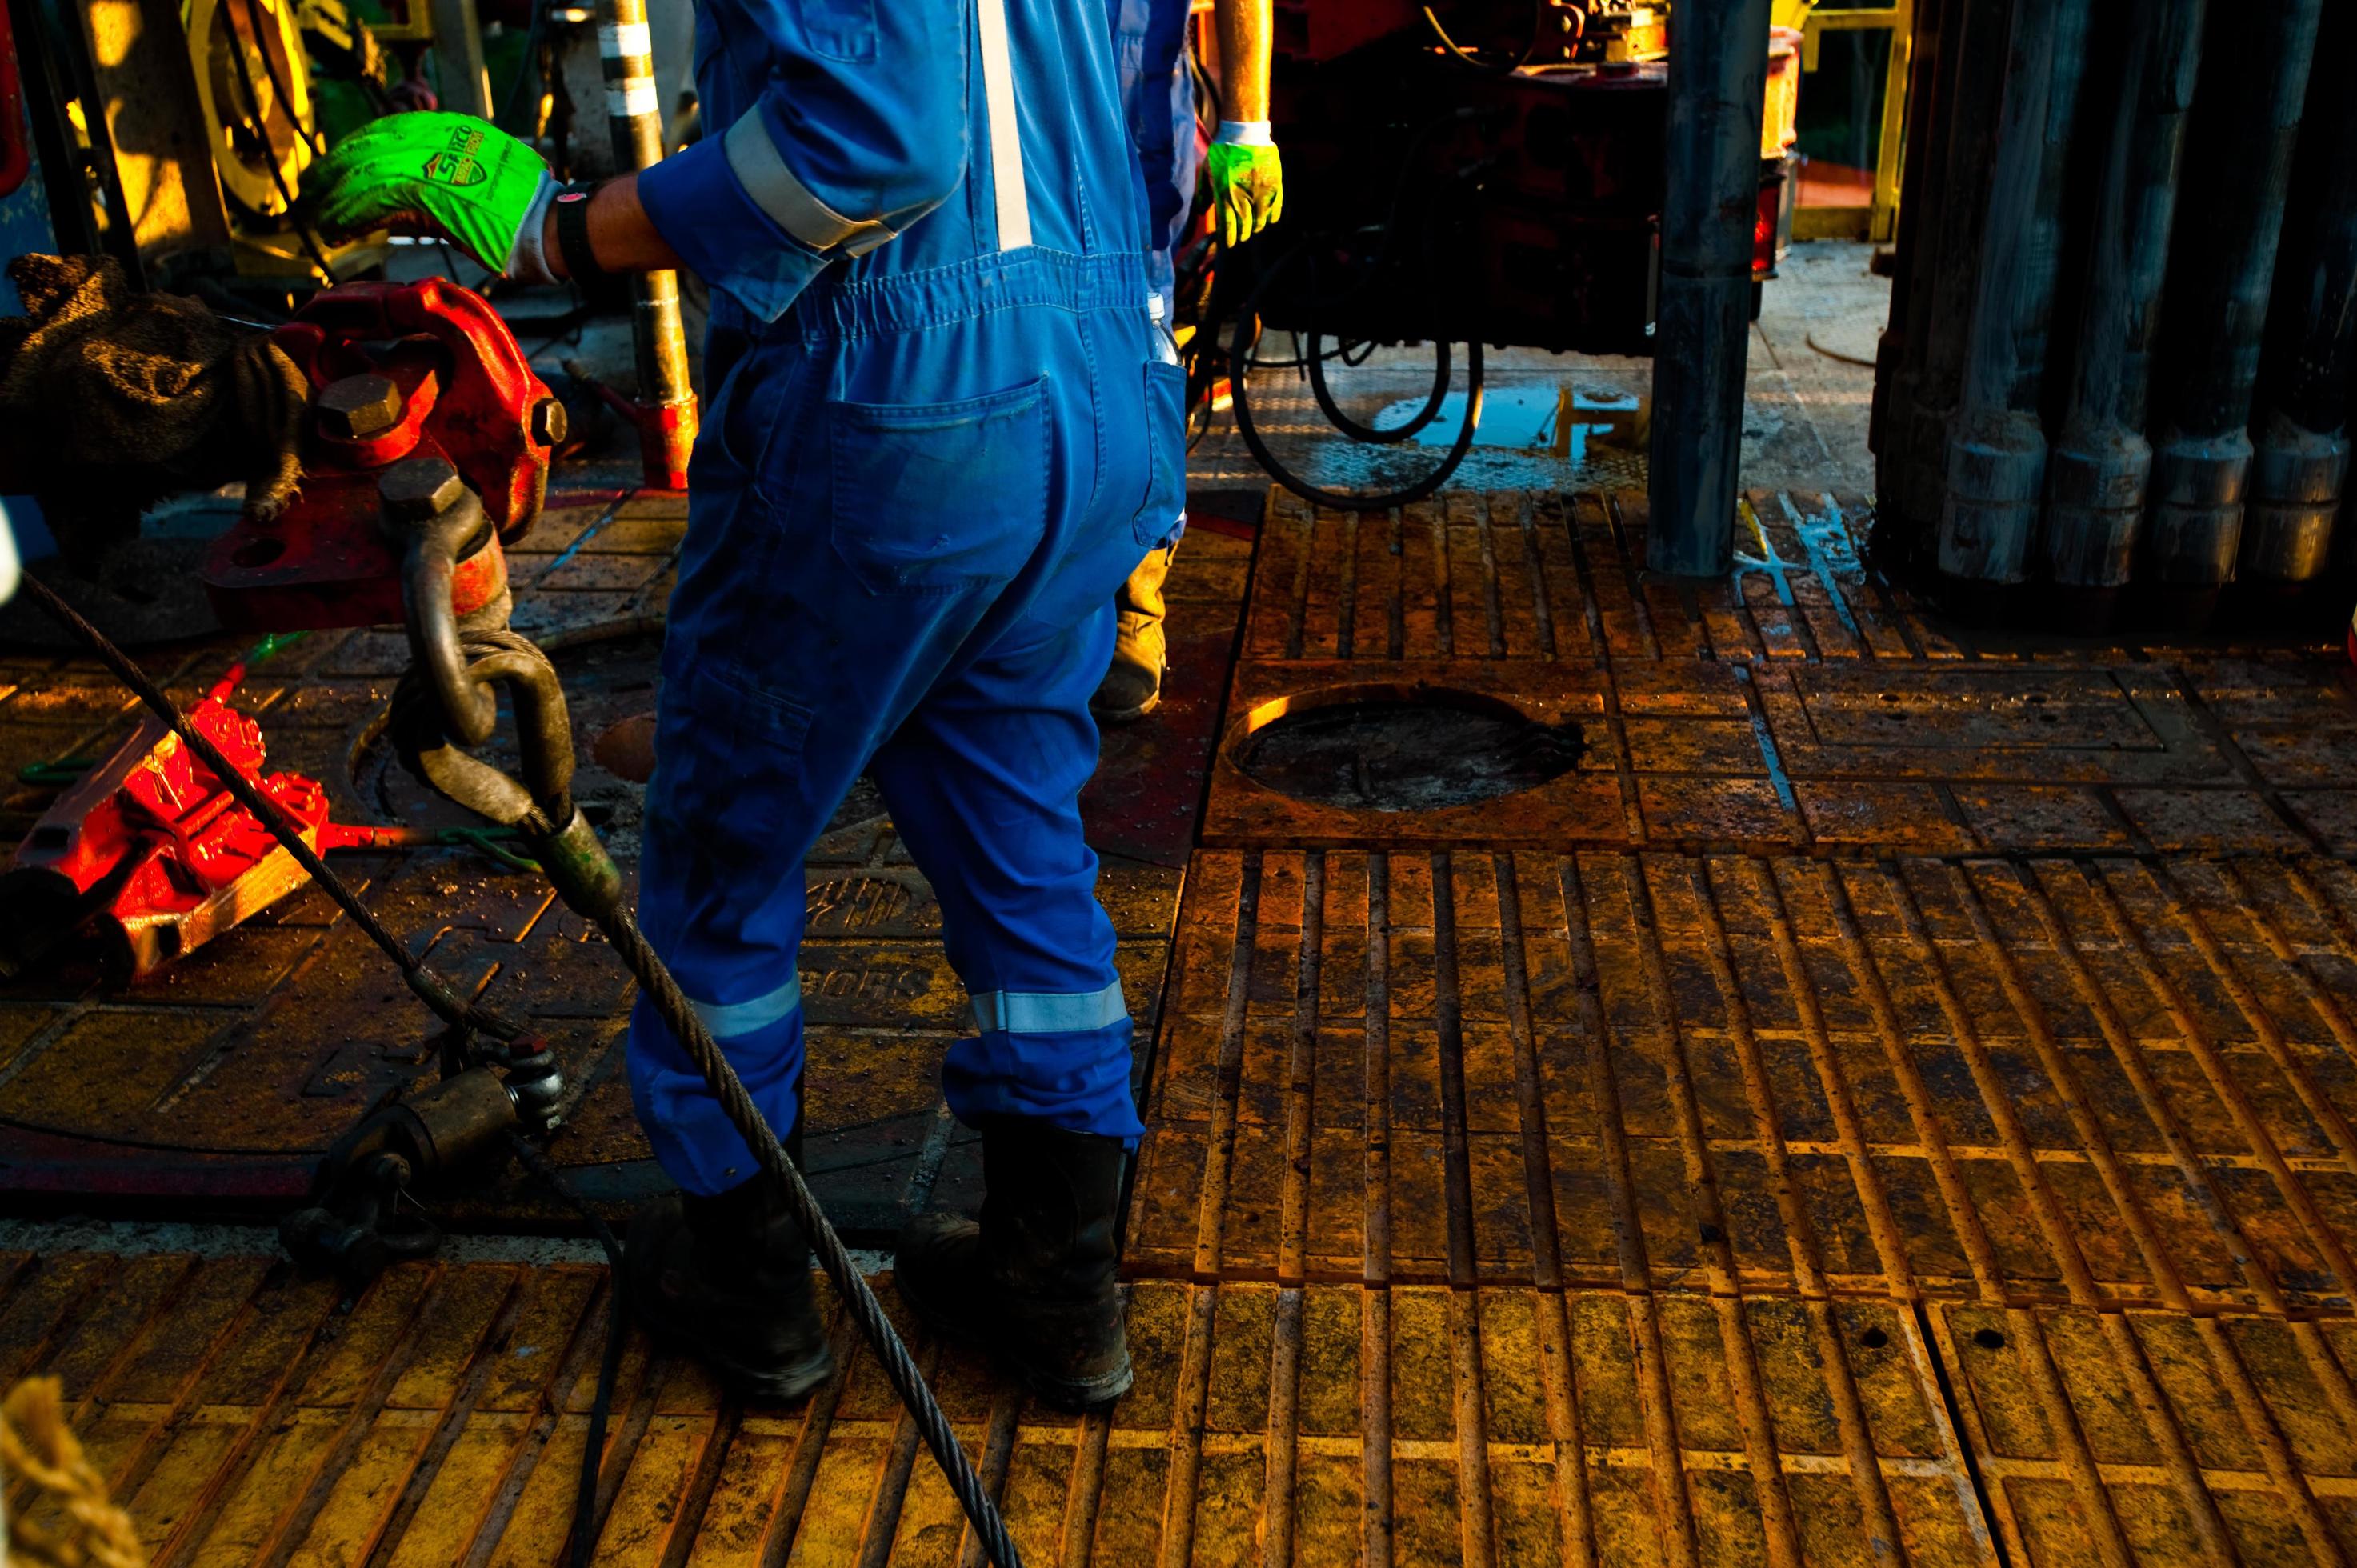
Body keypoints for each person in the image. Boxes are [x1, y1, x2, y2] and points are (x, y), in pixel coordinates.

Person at [310, 0, 1174, 1410]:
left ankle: (752, 1283)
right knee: (1021, 836)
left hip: (895, 409)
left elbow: (876, 144)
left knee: (724, 854)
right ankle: (1059, 1286)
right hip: (1099, 382)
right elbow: (1151, 114)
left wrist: (556, 231)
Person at [1093, 0, 1284, 722]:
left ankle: (1134, 603)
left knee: (1135, 345)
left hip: (1130, 93)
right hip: (1005, 99)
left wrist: (1246, 124)